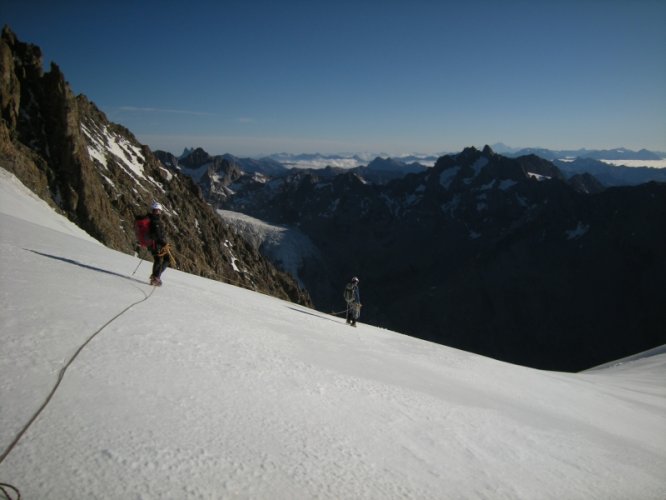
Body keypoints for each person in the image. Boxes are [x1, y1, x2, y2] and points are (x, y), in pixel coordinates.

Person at [147, 201, 169, 286]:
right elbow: (158, 235)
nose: (158, 212)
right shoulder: (155, 221)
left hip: (153, 244)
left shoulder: (150, 219)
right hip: (157, 244)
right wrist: (164, 243)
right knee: (165, 260)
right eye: (157, 210)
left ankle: (155, 277)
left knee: (158, 260)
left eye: (158, 210)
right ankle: (156, 277)